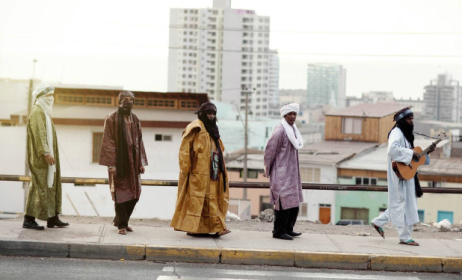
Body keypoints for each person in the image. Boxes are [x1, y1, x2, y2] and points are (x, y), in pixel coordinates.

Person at [371, 107, 435, 246]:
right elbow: (392, 149)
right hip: (399, 174)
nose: (411, 122)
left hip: (408, 174)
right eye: (408, 119)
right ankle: (405, 237)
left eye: (412, 119)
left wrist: (426, 152)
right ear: (401, 121)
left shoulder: (406, 134)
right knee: (403, 204)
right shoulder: (397, 133)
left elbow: (413, 155)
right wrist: (410, 153)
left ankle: (378, 222)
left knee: (401, 203)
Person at [170, 102, 231, 237]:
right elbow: (185, 150)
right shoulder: (195, 127)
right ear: (202, 114)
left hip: (213, 171)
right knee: (197, 202)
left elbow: (220, 148)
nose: (211, 116)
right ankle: (201, 228)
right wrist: (186, 171)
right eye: (209, 113)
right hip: (197, 173)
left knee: (211, 200)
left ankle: (210, 228)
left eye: (213, 113)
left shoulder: (213, 128)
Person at [99, 91, 148, 235]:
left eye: (131, 99)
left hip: (133, 163)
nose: (128, 102)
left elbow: (140, 140)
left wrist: (141, 162)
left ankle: (120, 219)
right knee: (120, 193)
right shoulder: (111, 118)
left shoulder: (135, 118)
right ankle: (122, 224)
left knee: (134, 194)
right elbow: (108, 142)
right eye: (125, 99)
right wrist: (111, 164)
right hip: (119, 163)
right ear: (120, 101)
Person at [23, 83, 69, 230]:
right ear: (41, 97)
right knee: (40, 186)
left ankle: (52, 218)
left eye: (52, 95)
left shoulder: (44, 111)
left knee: (51, 184)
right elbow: (39, 134)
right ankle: (28, 219)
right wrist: (46, 152)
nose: (51, 98)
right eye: (48, 95)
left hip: (48, 156)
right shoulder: (37, 111)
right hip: (41, 158)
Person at [264, 103, 304, 240]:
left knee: (294, 203)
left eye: (294, 114)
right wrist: (267, 169)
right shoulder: (280, 130)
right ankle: (278, 232)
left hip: (292, 174)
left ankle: (288, 229)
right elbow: (270, 152)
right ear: (284, 115)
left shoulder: (293, 129)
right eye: (290, 114)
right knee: (283, 204)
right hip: (281, 174)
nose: (292, 116)